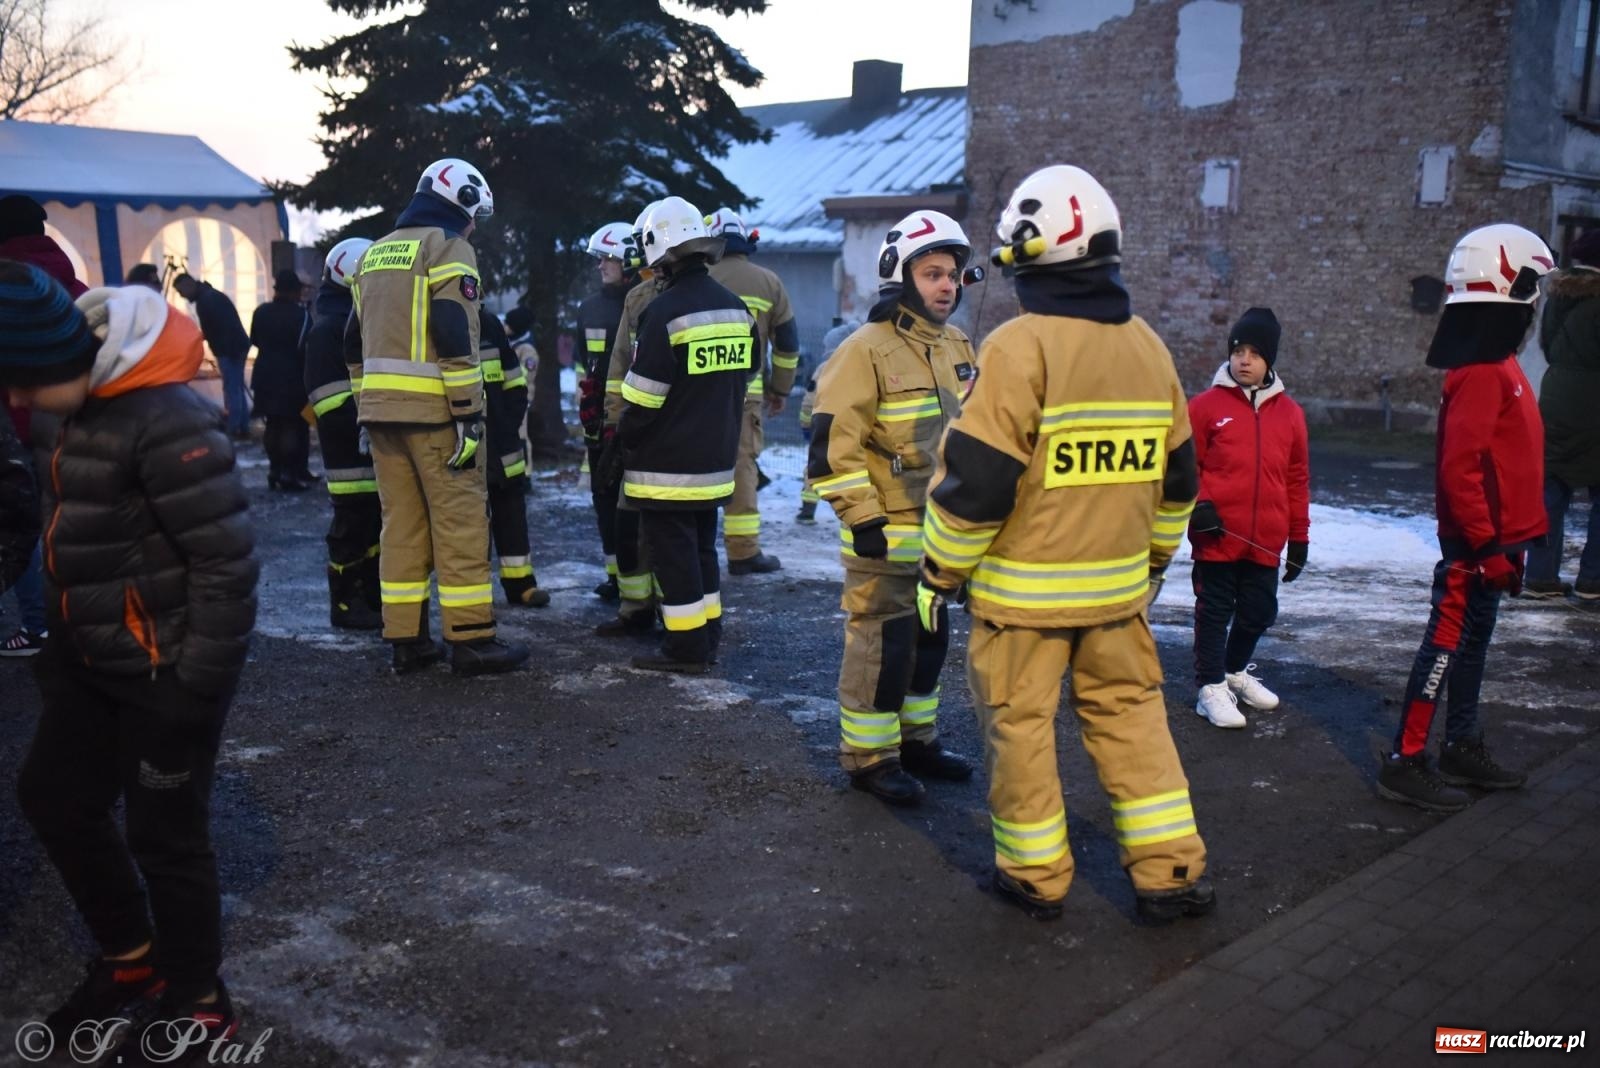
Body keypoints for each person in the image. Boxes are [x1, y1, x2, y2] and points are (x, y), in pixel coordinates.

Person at [919, 165, 1213, 923]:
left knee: (1019, 728)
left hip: (1024, 601)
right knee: (1133, 719)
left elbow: (977, 482)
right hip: (1118, 598)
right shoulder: (1151, 349)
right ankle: (1171, 871)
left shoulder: (1021, 347)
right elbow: (1179, 483)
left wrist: (939, 571)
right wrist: (1150, 567)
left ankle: (1034, 876)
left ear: (1029, 258)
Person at [0, 264, 257, 1056]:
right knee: (52, 796)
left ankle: (199, 997)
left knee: (166, 836)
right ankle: (132, 961)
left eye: (19, 387)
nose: (15, 405)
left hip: (167, 669)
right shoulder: (64, 415)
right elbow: (66, 529)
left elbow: (227, 564)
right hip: (89, 658)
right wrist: (64, 646)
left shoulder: (167, 418)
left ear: (51, 367)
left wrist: (193, 689)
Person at [1378, 224, 1554, 812]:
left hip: (1500, 543)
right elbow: (1462, 470)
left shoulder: (1500, 363)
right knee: (1447, 645)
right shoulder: (1481, 371)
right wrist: (1487, 546)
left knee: (1473, 645)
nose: (1535, 303)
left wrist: (1513, 544)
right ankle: (1407, 759)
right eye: (1532, 287)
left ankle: (1460, 744)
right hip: (1478, 548)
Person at [807, 210, 977, 806]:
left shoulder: (957, 345)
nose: (946, 286)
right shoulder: (865, 350)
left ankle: (916, 741)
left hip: (942, 533)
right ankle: (871, 757)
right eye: (932, 273)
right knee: (883, 644)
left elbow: (973, 438)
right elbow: (832, 444)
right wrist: (863, 518)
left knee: (930, 640)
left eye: (952, 275)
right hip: (885, 531)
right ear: (899, 276)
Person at [344, 157, 528, 677]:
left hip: (382, 419)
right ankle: (471, 640)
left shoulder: (374, 255)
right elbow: (453, 331)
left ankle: (406, 640)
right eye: (476, 216)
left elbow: (351, 342)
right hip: (437, 418)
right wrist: (469, 413)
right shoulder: (448, 248)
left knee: (400, 525)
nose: (474, 228)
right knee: (460, 523)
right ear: (464, 202)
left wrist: (367, 405)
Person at [598, 195, 753, 673]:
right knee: (702, 548)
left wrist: (621, 441)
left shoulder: (664, 313)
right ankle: (707, 632)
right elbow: (742, 382)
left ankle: (685, 648)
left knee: (675, 554)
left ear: (660, 253)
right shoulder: (736, 308)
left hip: (666, 466)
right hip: (716, 460)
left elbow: (644, 397)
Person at [1187, 307, 1310, 728]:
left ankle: (1234, 672)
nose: (1244, 359)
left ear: (1269, 360)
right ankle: (1209, 688)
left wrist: (1300, 538)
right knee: (1214, 612)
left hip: (1266, 539)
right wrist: (1199, 504)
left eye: (1255, 353)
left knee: (1259, 611)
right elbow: (1186, 466)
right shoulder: (1205, 407)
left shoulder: (1291, 414)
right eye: (1238, 350)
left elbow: (1297, 477)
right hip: (1216, 535)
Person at [0, 192, 84, 657]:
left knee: (21, 526)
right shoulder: (78, 290)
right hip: (79, 430)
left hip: (13, 435)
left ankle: (37, 625)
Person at [706, 208, 800, 574]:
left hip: (689, 398)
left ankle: (693, 548)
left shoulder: (694, 278)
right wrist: (780, 389)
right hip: (745, 396)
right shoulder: (768, 282)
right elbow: (788, 345)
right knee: (741, 466)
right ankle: (743, 552)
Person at [596, 201, 667, 638]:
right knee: (628, 526)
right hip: (635, 431)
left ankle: (676, 614)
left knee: (670, 533)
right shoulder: (637, 299)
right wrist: (612, 427)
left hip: (672, 436)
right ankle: (634, 608)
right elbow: (618, 368)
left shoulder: (695, 297)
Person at [304, 236, 382, 630]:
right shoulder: (328, 330)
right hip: (347, 450)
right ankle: (346, 605)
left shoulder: (353, 321)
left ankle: (369, 597)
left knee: (372, 524)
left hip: (368, 443)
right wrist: (366, 417)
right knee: (351, 526)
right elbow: (328, 401)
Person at [1525, 229, 1600, 604]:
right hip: (1595, 401)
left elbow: (1547, 344)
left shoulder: (1557, 296)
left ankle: (1540, 577)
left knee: (1552, 488)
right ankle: (1593, 580)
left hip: (1555, 395)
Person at [575, 220, 640, 601]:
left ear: (630, 261)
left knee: (634, 501)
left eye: (608, 259)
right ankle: (616, 575)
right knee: (604, 498)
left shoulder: (647, 301)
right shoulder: (588, 309)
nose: (600, 266)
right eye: (599, 259)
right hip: (598, 422)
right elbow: (586, 367)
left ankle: (639, 578)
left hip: (637, 418)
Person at [480, 308, 549, 607]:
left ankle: (521, 584)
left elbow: (515, 384)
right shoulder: (441, 320)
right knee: (469, 523)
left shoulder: (488, 325)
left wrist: (507, 427)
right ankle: (472, 593)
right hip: (462, 449)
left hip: (501, 442)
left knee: (511, 515)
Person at [250, 269, 314, 490]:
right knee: (291, 425)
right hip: (291, 377)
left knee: (272, 424)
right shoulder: (301, 315)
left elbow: (255, 340)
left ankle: (274, 470)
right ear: (295, 291)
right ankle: (289, 473)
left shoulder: (261, 312)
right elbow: (305, 346)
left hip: (264, 374)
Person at [796, 317, 862, 524]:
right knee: (855, 468)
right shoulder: (864, 365)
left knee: (815, 466)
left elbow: (810, 399)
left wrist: (806, 424)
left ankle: (808, 510)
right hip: (855, 426)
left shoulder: (825, 367)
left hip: (825, 424)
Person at [173, 272, 252, 440]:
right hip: (236, 346)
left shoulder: (206, 301)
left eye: (181, 292)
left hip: (228, 349)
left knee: (231, 388)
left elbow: (215, 329)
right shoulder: (212, 296)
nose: (183, 297)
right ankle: (242, 425)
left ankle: (234, 427)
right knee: (236, 387)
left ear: (188, 285)